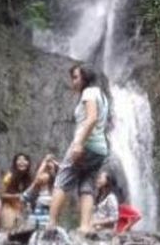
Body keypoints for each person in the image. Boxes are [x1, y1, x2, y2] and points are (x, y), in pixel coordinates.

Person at [49, 64, 110, 233]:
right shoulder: (102, 96)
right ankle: (85, 227)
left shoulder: (89, 92)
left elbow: (91, 119)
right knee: (87, 185)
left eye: (75, 77)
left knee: (62, 179)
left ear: (85, 78)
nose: (73, 81)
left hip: (85, 144)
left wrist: (78, 144)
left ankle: (51, 224)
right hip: (100, 149)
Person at [22, 155, 59, 229]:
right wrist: (35, 183)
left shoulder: (57, 189)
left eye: (48, 170)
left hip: (47, 226)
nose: (45, 174)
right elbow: (23, 198)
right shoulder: (35, 189)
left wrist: (54, 167)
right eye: (44, 170)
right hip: (33, 224)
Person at [0, 153, 33, 230]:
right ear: (15, 163)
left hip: (22, 209)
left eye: (25, 160)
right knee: (9, 229)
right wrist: (15, 196)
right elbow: (1, 194)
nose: (22, 162)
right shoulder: (9, 176)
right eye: (19, 160)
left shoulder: (29, 179)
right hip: (9, 207)